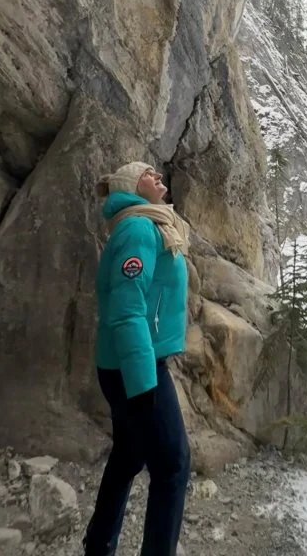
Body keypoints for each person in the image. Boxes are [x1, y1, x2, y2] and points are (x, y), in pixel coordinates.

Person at [83, 161, 192, 556]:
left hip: (124, 364)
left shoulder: (148, 223)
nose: (158, 177)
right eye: (149, 174)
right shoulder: (138, 228)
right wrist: (144, 382)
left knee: (128, 456)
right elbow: (127, 310)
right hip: (136, 369)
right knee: (174, 466)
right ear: (132, 184)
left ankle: (98, 545)